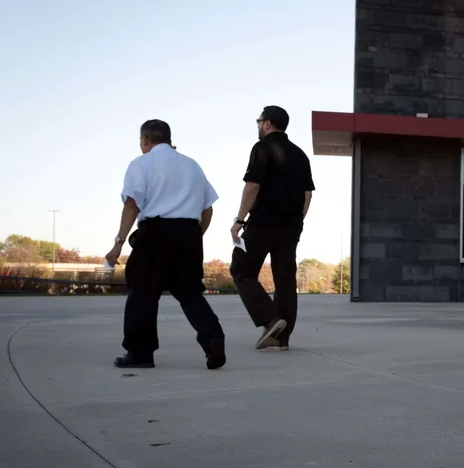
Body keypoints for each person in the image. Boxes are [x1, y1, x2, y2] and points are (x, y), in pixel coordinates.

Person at [106, 120, 226, 369]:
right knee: (190, 294)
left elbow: (132, 205)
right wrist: (195, 235)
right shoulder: (192, 165)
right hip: (189, 234)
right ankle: (213, 338)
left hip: (155, 234)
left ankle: (140, 353)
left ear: (146, 139)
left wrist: (118, 242)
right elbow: (208, 208)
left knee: (143, 293)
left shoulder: (142, 163)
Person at [230, 105, 315, 351]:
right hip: (291, 226)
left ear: (267, 123)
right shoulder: (300, 155)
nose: (257, 126)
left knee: (241, 268)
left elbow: (252, 186)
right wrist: (298, 221)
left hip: (263, 223)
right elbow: (307, 194)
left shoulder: (262, 147)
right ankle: (281, 339)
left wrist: (239, 219)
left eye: (258, 121)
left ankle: (270, 320)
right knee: (285, 279)